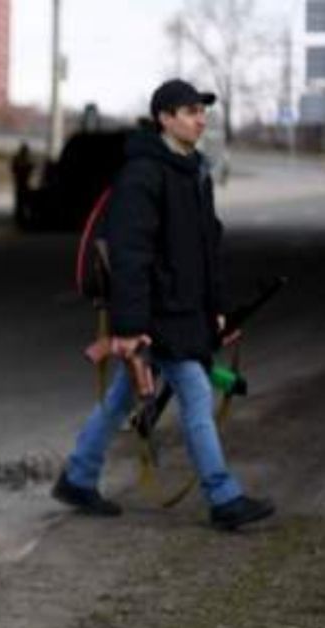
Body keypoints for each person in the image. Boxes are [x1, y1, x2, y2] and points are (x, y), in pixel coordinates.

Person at [52, 79, 274, 531]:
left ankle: (78, 477)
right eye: (191, 111)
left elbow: (208, 246)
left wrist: (218, 310)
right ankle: (223, 496)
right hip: (157, 314)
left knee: (120, 398)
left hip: (185, 311)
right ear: (165, 119)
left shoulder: (195, 171)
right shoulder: (142, 175)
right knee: (194, 393)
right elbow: (130, 255)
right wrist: (130, 326)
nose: (201, 118)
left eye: (202, 111)